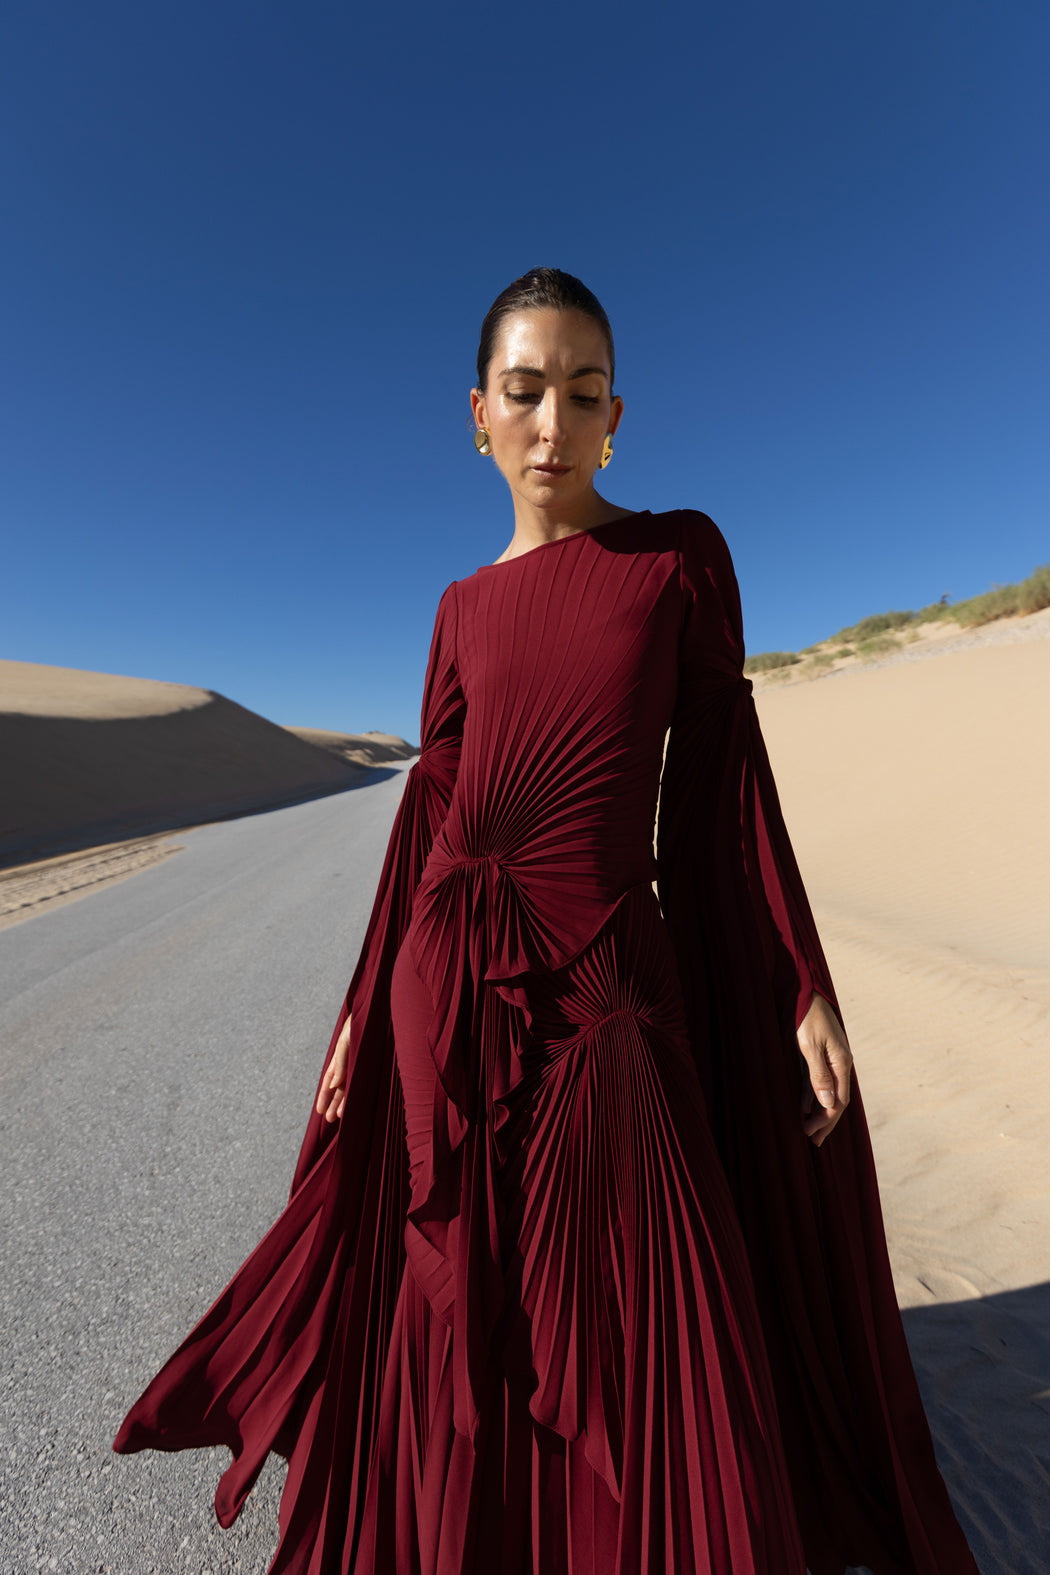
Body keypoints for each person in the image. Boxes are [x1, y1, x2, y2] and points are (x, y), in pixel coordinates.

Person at [114, 268, 978, 1575]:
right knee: (463, 1315)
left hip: (611, 988)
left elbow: (716, 794)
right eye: (524, 393)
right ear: (477, 412)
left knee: (660, 1316)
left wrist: (793, 975)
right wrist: (360, 1010)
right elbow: (427, 825)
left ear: (615, 410)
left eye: (580, 393)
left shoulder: (677, 555)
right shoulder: (458, 608)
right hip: (439, 999)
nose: (551, 423)